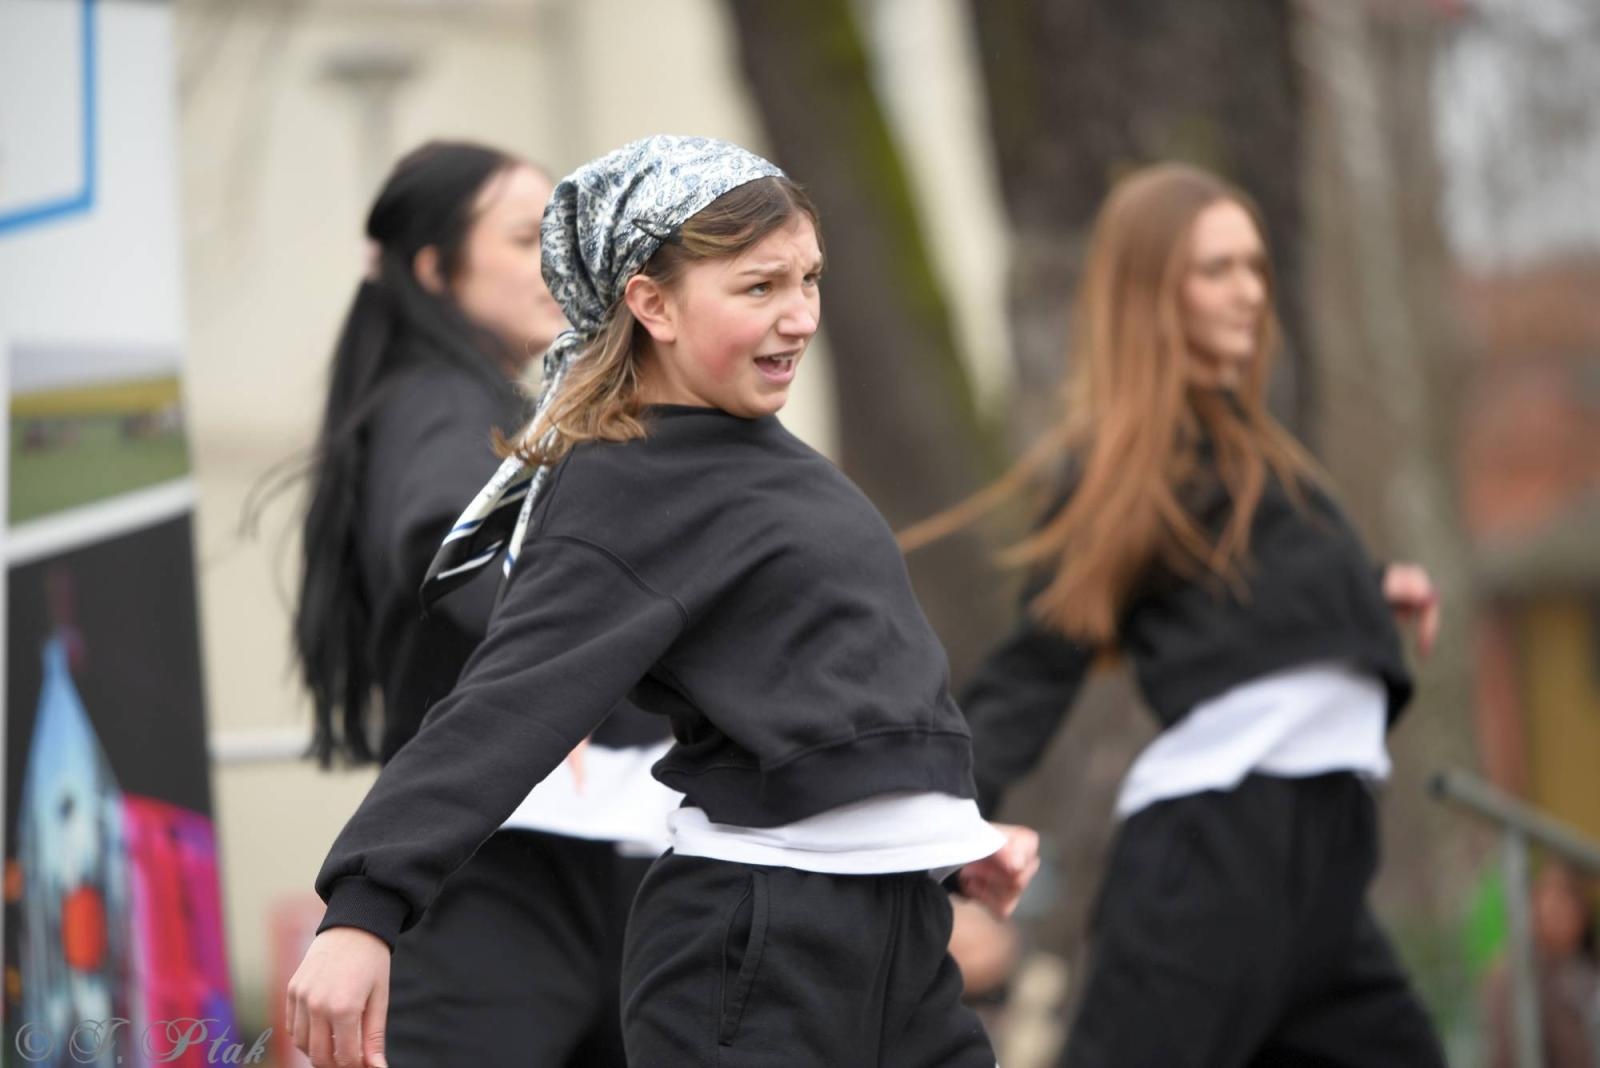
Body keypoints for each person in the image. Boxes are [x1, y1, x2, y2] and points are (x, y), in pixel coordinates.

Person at [285, 134, 1040, 1068]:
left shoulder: (778, 471)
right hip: (754, 951)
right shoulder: (629, 484)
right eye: (760, 287)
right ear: (652, 303)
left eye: (808, 279)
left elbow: (848, 688)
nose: (800, 315)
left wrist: (940, 827)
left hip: (896, 938)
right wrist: (363, 910)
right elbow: (503, 702)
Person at [902, 161, 1449, 1068]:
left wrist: (1370, 587)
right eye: (1217, 269)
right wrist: (930, 834)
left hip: (1320, 867)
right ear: (1155, 292)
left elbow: (1254, 599)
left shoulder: (1255, 458)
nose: (1249, 293)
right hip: (1216, 863)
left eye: (1256, 267)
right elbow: (1034, 671)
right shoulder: (1130, 472)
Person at [286, 140, 679, 1066]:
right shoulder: (435, 401)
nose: (556, 263)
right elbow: (443, 545)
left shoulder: (468, 398)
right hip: (507, 866)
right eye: (522, 239)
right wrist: (550, 681)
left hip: (554, 853)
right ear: (434, 268)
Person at [1486, 861, 1600, 1068]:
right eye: (1552, 902)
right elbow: (1509, 1053)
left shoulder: (1586, 969)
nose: (1561, 914)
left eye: (1571, 903)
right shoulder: (1516, 974)